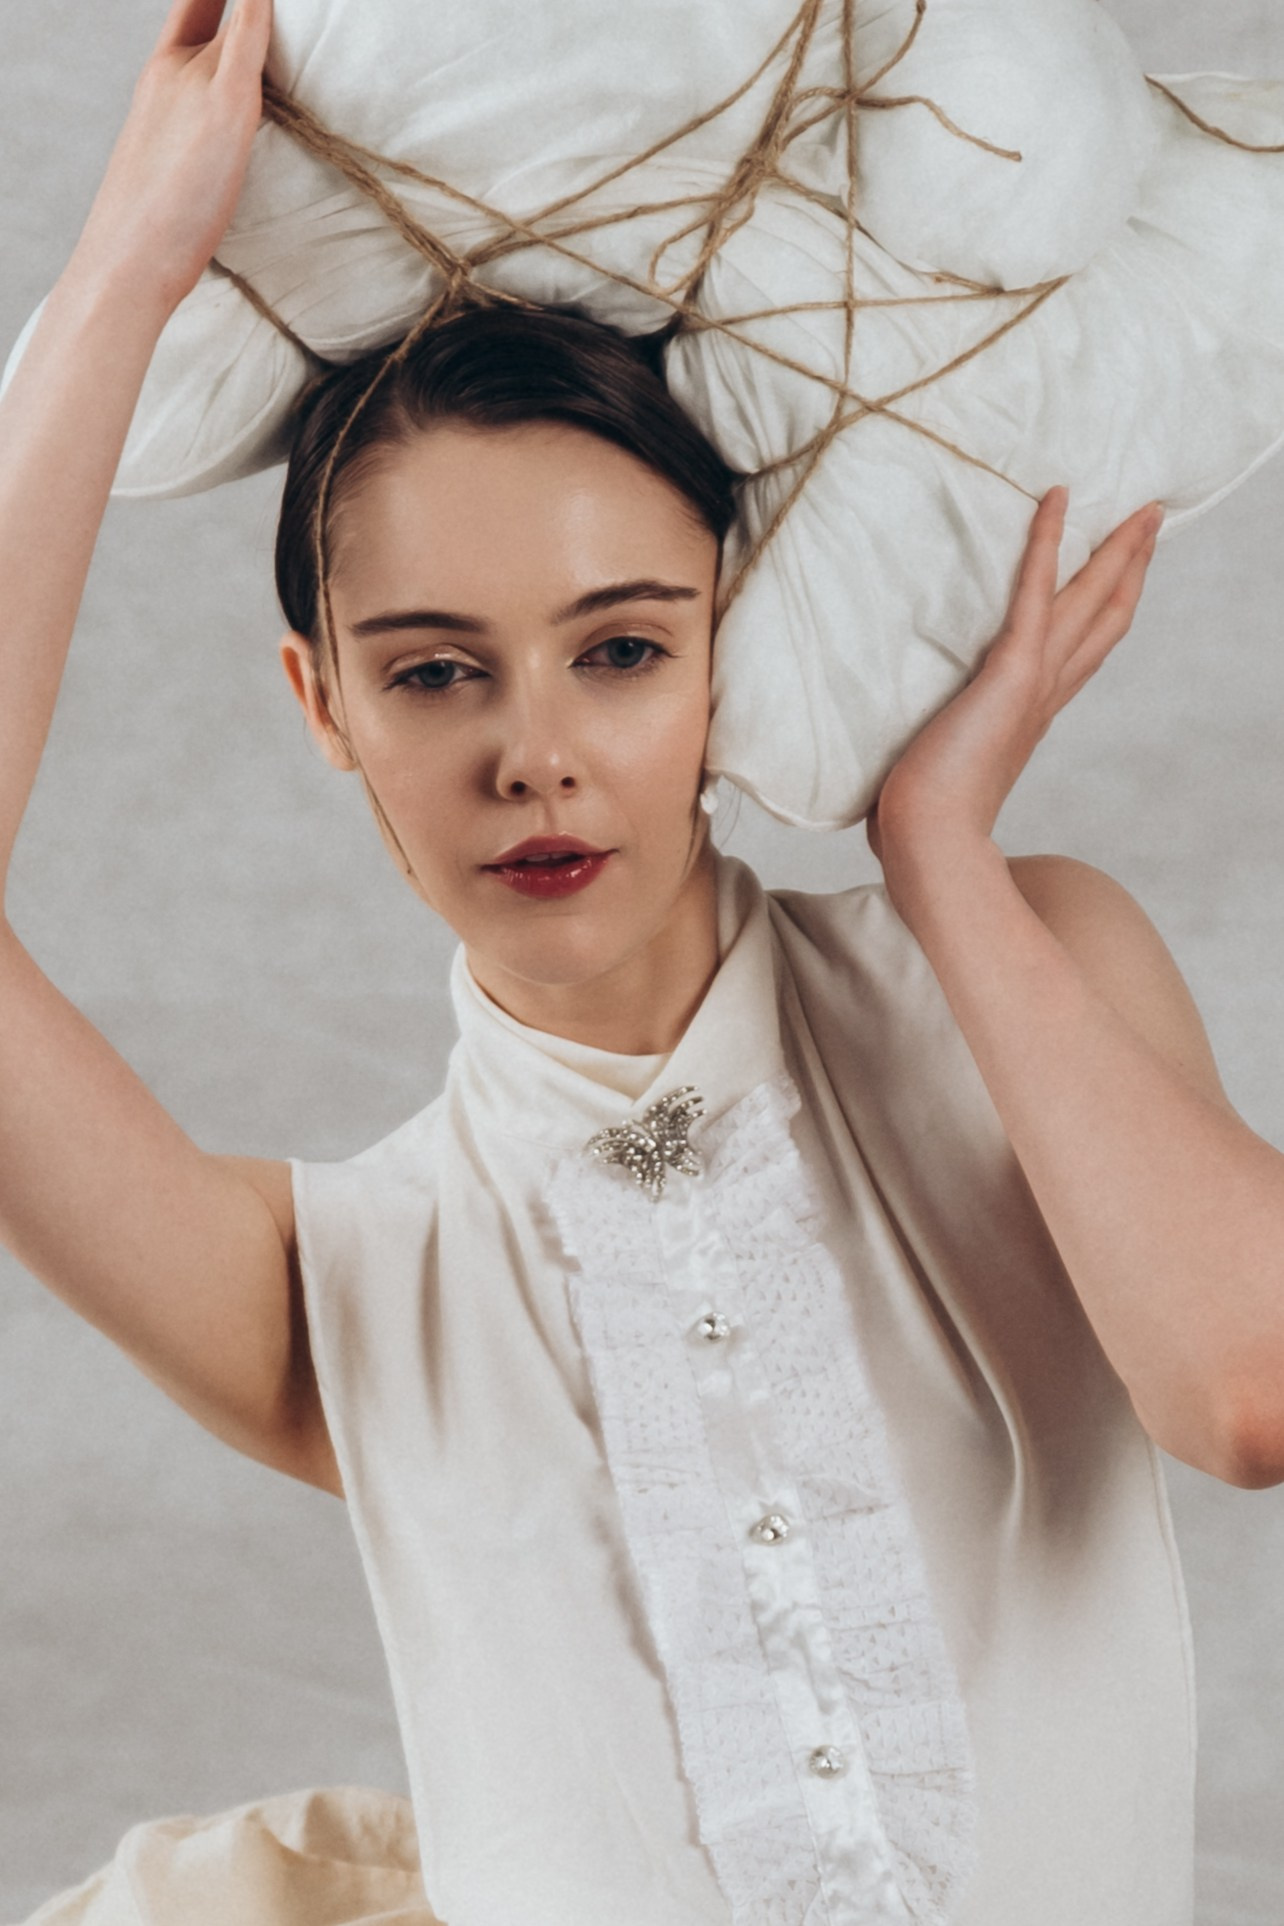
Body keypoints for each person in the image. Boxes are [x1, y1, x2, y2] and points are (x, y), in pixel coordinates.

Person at [7, 2, 1284, 1922]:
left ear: (722, 642)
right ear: (322, 702)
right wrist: (127, 267)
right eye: (434, 672)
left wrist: (939, 853)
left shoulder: (1024, 981)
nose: (535, 753)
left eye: (619, 648)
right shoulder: (338, 1293)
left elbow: (1250, 1390)